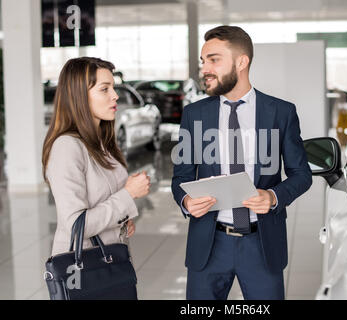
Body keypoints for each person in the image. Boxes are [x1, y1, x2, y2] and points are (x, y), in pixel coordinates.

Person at [171, 26, 312, 300]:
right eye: (203, 61)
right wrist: (187, 202)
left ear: (242, 61)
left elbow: (301, 174)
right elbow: (180, 177)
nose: (205, 69)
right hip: (209, 243)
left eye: (214, 60)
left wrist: (273, 196)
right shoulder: (194, 115)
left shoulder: (281, 112)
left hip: (261, 243)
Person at [42, 57, 150, 257]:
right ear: (79, 96)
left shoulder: (101, 141)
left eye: (113, 88)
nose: (115, 96)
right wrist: (129, 194)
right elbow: (76, 225)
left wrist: (123, 222)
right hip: (84, 271)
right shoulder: (66, 147)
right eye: (104, 89)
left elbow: (104, 201)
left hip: (112, 260)